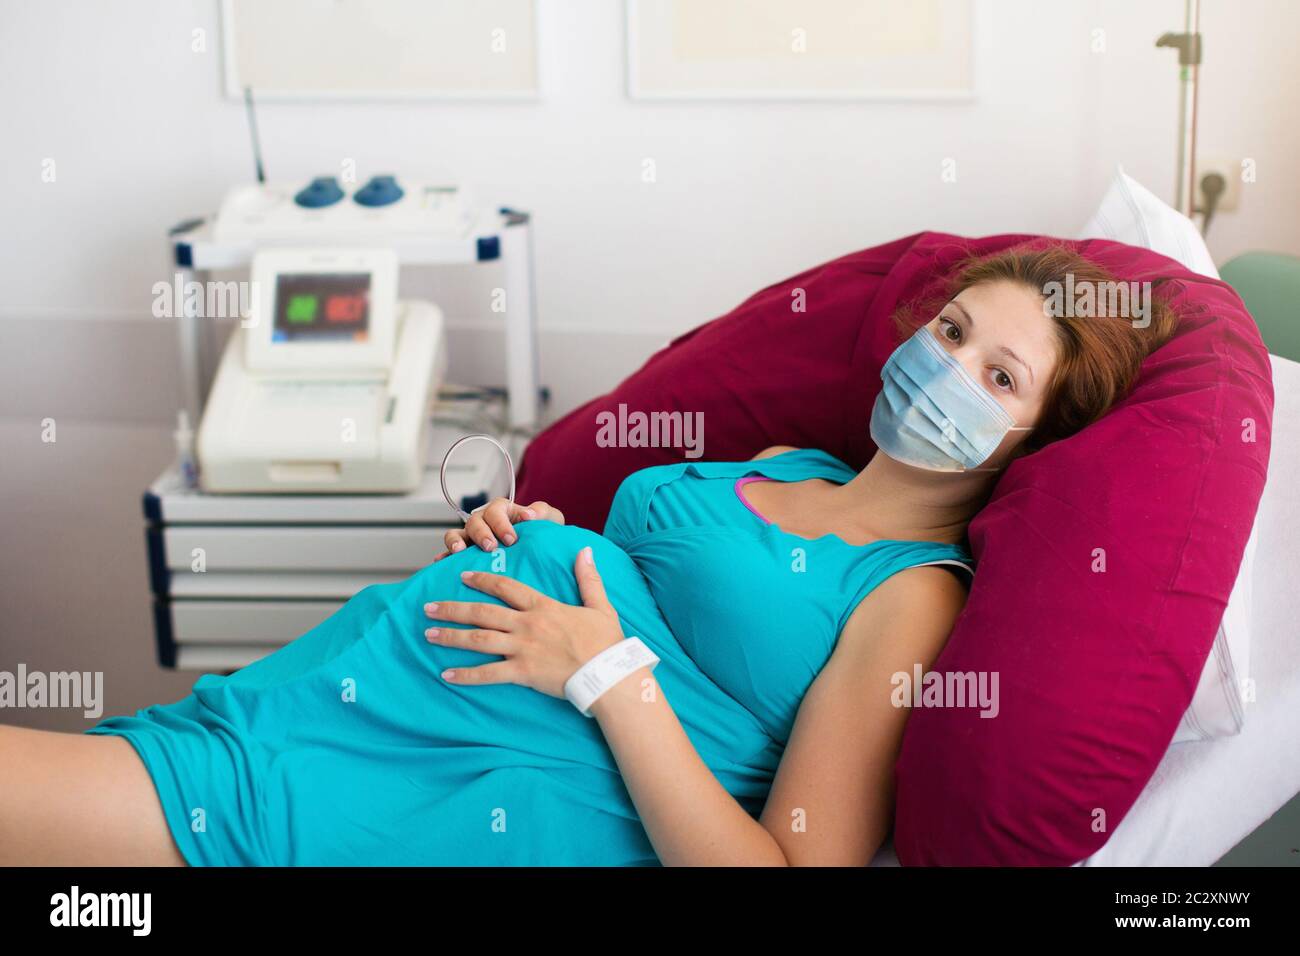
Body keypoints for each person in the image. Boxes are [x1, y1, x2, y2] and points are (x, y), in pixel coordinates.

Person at [0, 244, 1177, 866]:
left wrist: (600, 665)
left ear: (1030, 438)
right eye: (952, 329)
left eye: (999, 377)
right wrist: (530, 541)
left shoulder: (912, 599)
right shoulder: (788, 460)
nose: (947, 367)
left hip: (459, 783)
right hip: (363, 682)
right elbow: (623, 574)